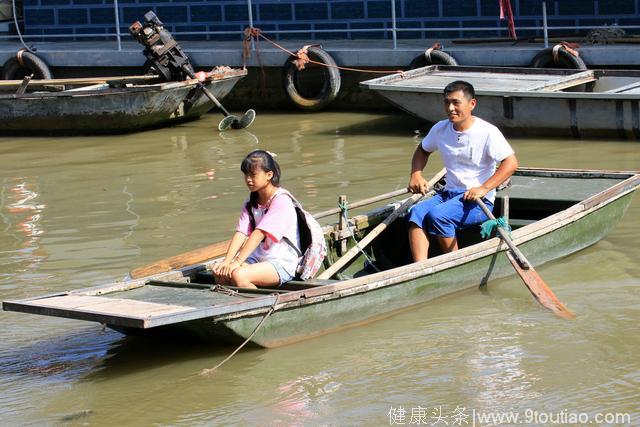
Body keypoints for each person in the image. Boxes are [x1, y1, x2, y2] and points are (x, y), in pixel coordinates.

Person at [407, 80, 519, 262]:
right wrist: (416, 174)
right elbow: (422, 150)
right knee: (416, 212)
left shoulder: (488, 132)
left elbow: (511, 163)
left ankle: (454, 263)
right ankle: (419, 267)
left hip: (477, 200)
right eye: (447, 102)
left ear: (472, 104)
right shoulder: (440, 129)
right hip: (449, 193)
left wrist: (484, 188)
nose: (450, 108)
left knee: (438, 216)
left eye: (456, 103)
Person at [212, 150, 301, 288]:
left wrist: (237, 261)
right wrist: (227, 261)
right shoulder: (250, 201)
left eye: (253, 175)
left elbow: (258, 233)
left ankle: (266, 305)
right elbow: (241, 232)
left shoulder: (281, 200)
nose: (248, 179)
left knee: (239, 275)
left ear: (269, 175)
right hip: (258, 257)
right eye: (246, 174)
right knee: (220, 273)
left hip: (281, 262)